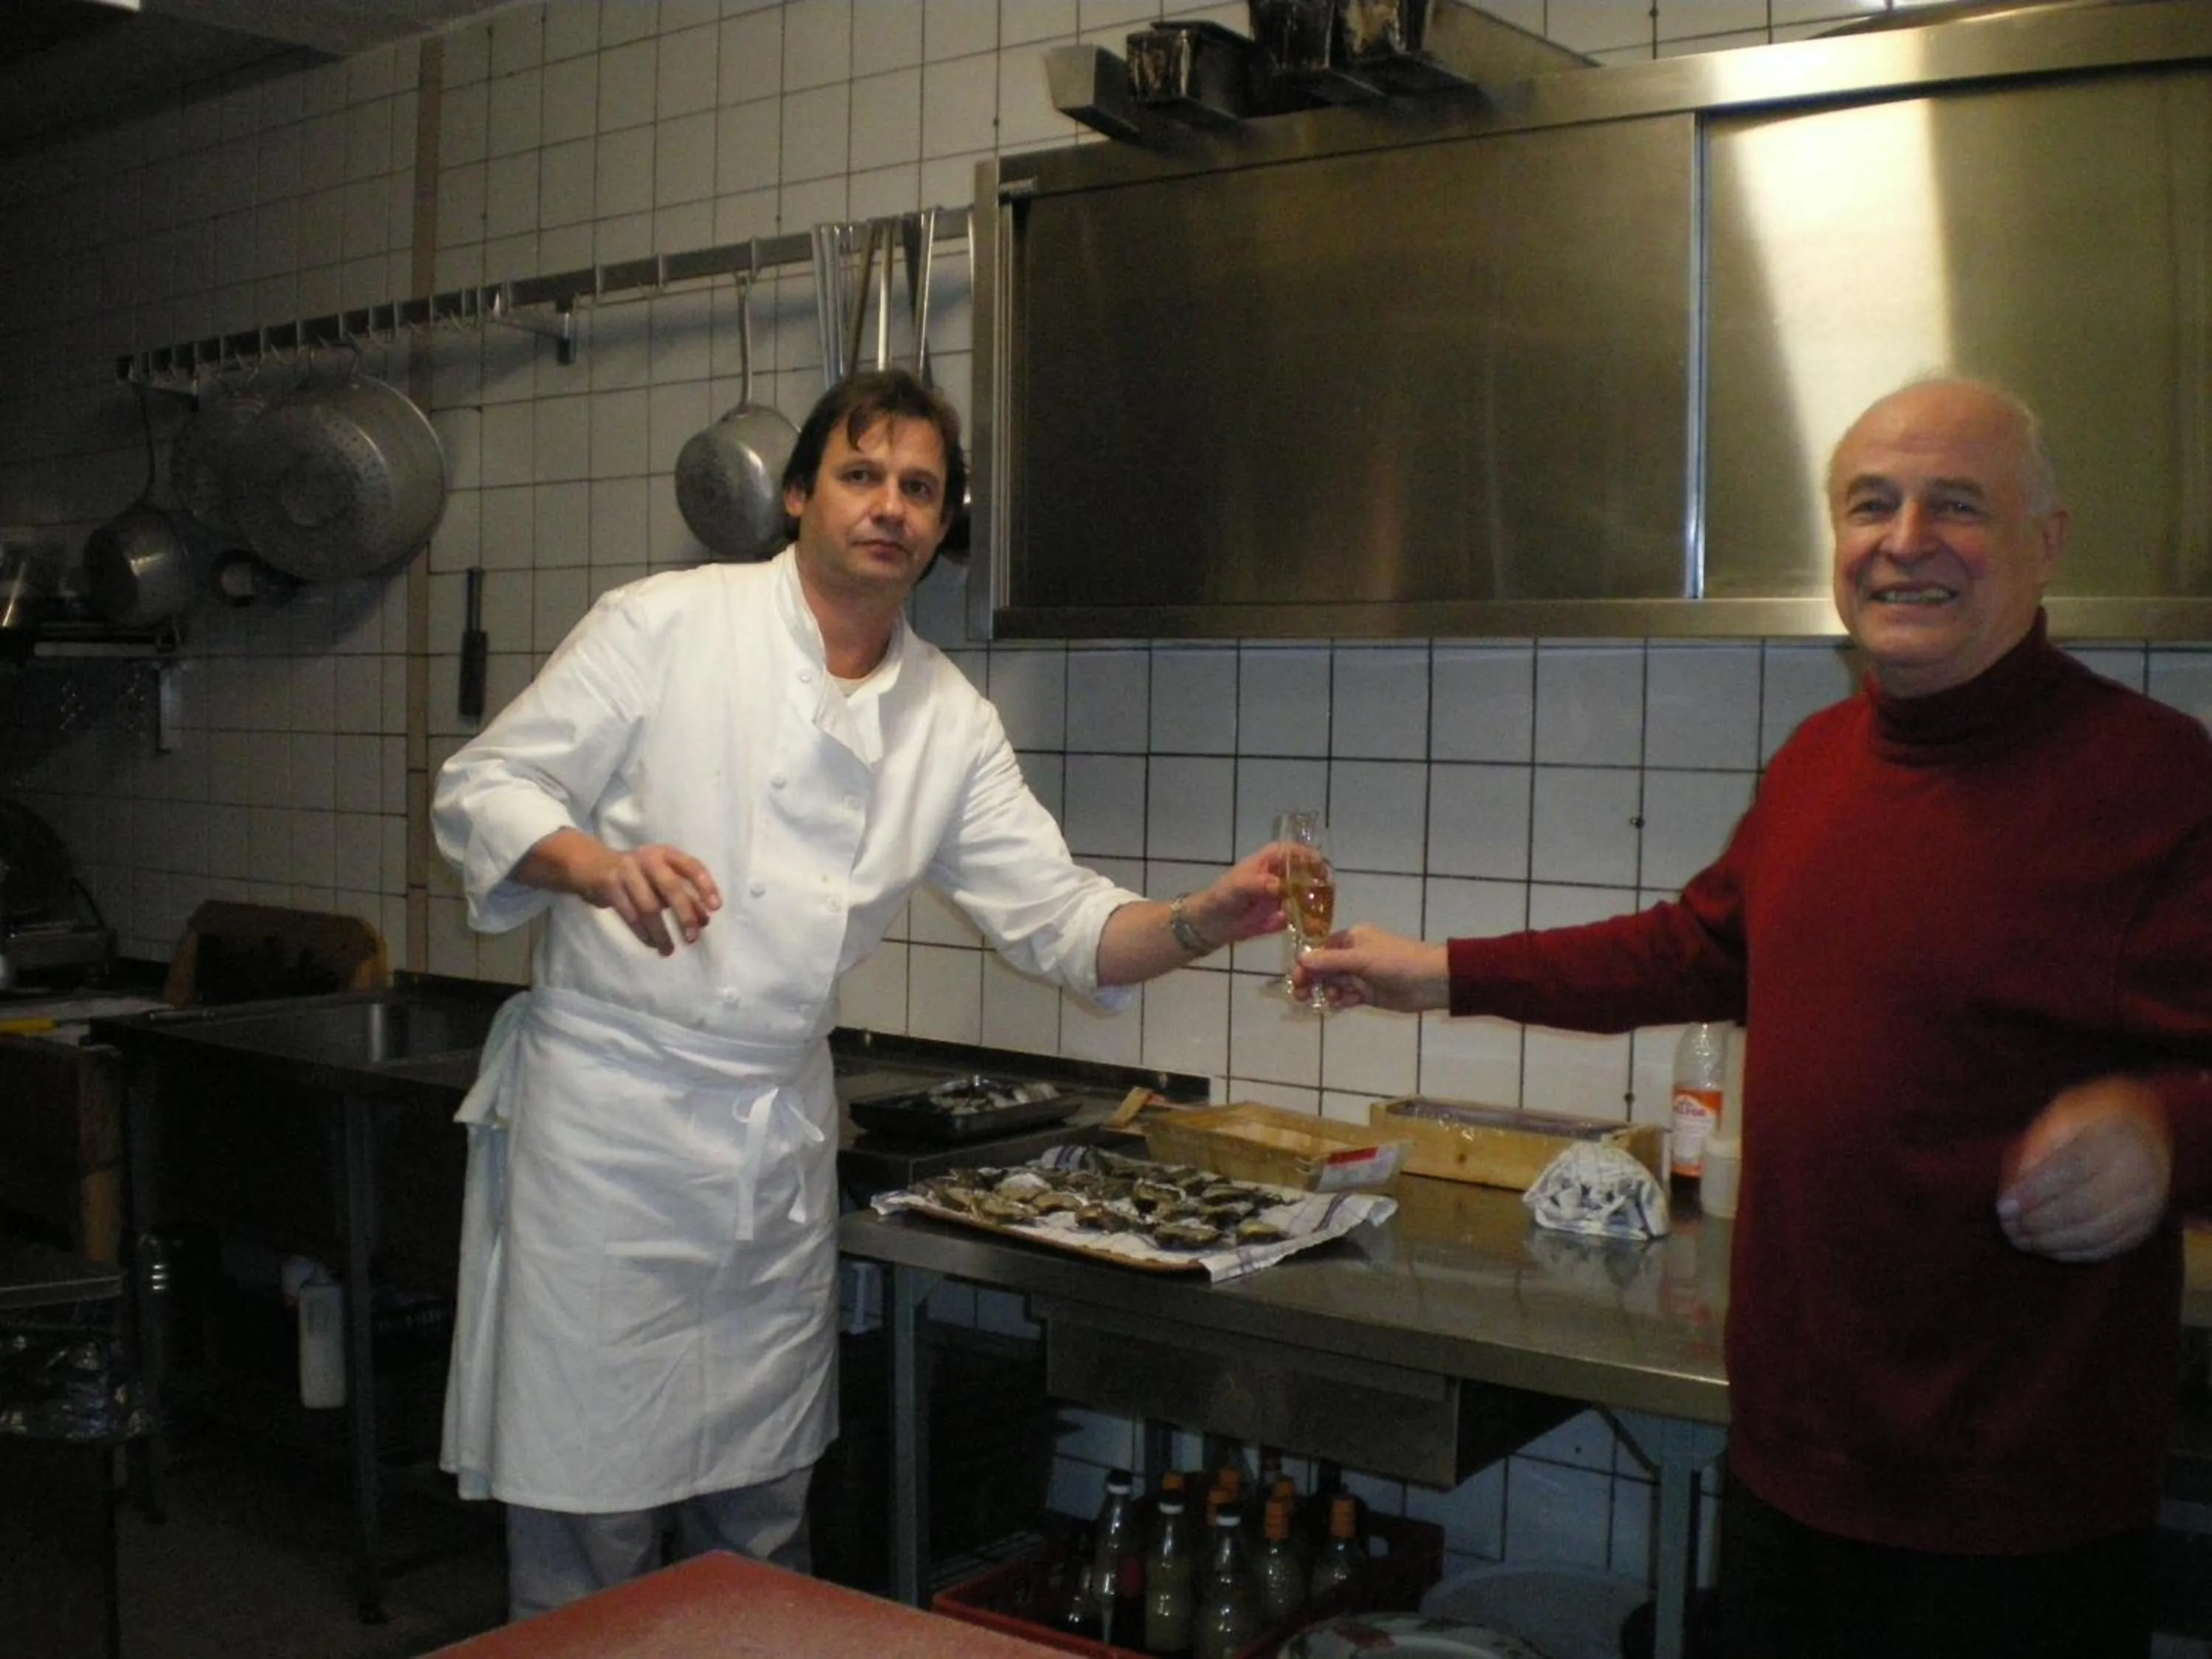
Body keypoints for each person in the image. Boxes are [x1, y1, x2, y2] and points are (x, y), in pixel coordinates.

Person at [1298, 376, 2212, 1658]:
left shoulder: (2157, 783)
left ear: (2047, 540)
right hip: (1792, 1466)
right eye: (1871, 505)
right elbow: (1693, 949)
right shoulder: (1819, 761)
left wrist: (2167, 1130)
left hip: (2013, 1514)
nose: (1905, 541)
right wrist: (1437, 969)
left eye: (1957, 506)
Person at [431, 366, 1287, 1621]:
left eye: (921, 489)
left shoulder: (948, 719)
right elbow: (487, 788)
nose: (891, 506)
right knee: (587, 1518)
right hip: (609, 1138)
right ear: (800, 494)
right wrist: (598, 866)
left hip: (769, 1151)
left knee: (762, 1510)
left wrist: (1208, 917)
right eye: (863, 474)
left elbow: (1066, 922)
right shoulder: (665, 624)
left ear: (941, 527)